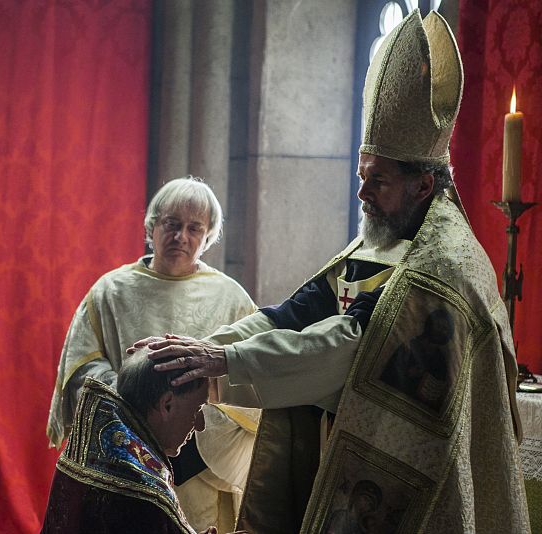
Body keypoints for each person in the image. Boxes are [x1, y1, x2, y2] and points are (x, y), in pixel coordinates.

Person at [136, 10, 530, 533]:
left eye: (379, 182)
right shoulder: (377, 243)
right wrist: (201, 352)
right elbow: (291, 316)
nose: (363, 194)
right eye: (362, 176)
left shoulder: (442, 269)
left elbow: (347, 347)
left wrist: (222, 361)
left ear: (423, 186)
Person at [47, 177, 260, 531]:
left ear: (208, 237)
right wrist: (133, 391)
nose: (181, 237)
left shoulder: (231, 298)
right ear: (151, 226)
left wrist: (195, 416)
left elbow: (250, 373)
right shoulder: (111, 291)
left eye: (195, 228)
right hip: (123, 458)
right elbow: (80, 365)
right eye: (171, 225)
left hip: (203, 459)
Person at [42, 351, 217, 534]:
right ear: (167, 404)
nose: (200, 424)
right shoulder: (142, 491)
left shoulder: (95, 444)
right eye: (197, 408)